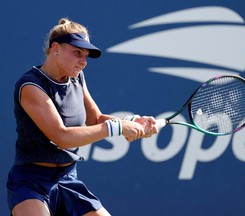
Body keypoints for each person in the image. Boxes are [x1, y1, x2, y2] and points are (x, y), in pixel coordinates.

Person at [6, 18, 158, 216]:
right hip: (31, 183)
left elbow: (95, 119)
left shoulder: (77, 78)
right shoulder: (30, 86)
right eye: (77, 52)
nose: (83, 62)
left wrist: (130, 122)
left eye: (86, 55)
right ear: (55, 48)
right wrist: (118, 127)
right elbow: (61, 136)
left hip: (68, 177)